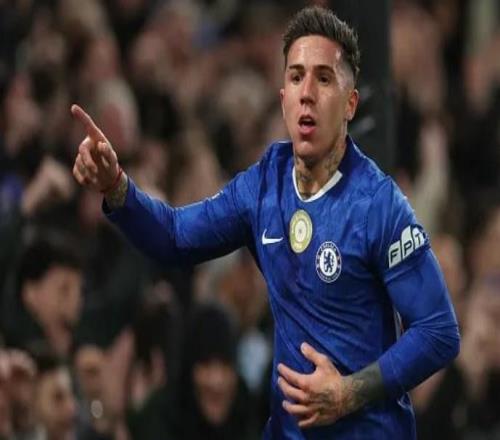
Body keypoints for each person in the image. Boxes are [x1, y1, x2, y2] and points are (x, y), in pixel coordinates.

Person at [71, 6, 460, 439]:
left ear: (351, 104)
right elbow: (175, 237)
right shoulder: (263, 186)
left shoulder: (379, 205)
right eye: (296, 77)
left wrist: (350, 392)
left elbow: (438, 331)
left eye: (323, 78)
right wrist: (117, 186)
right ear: (283, 98)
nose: (307, 93)